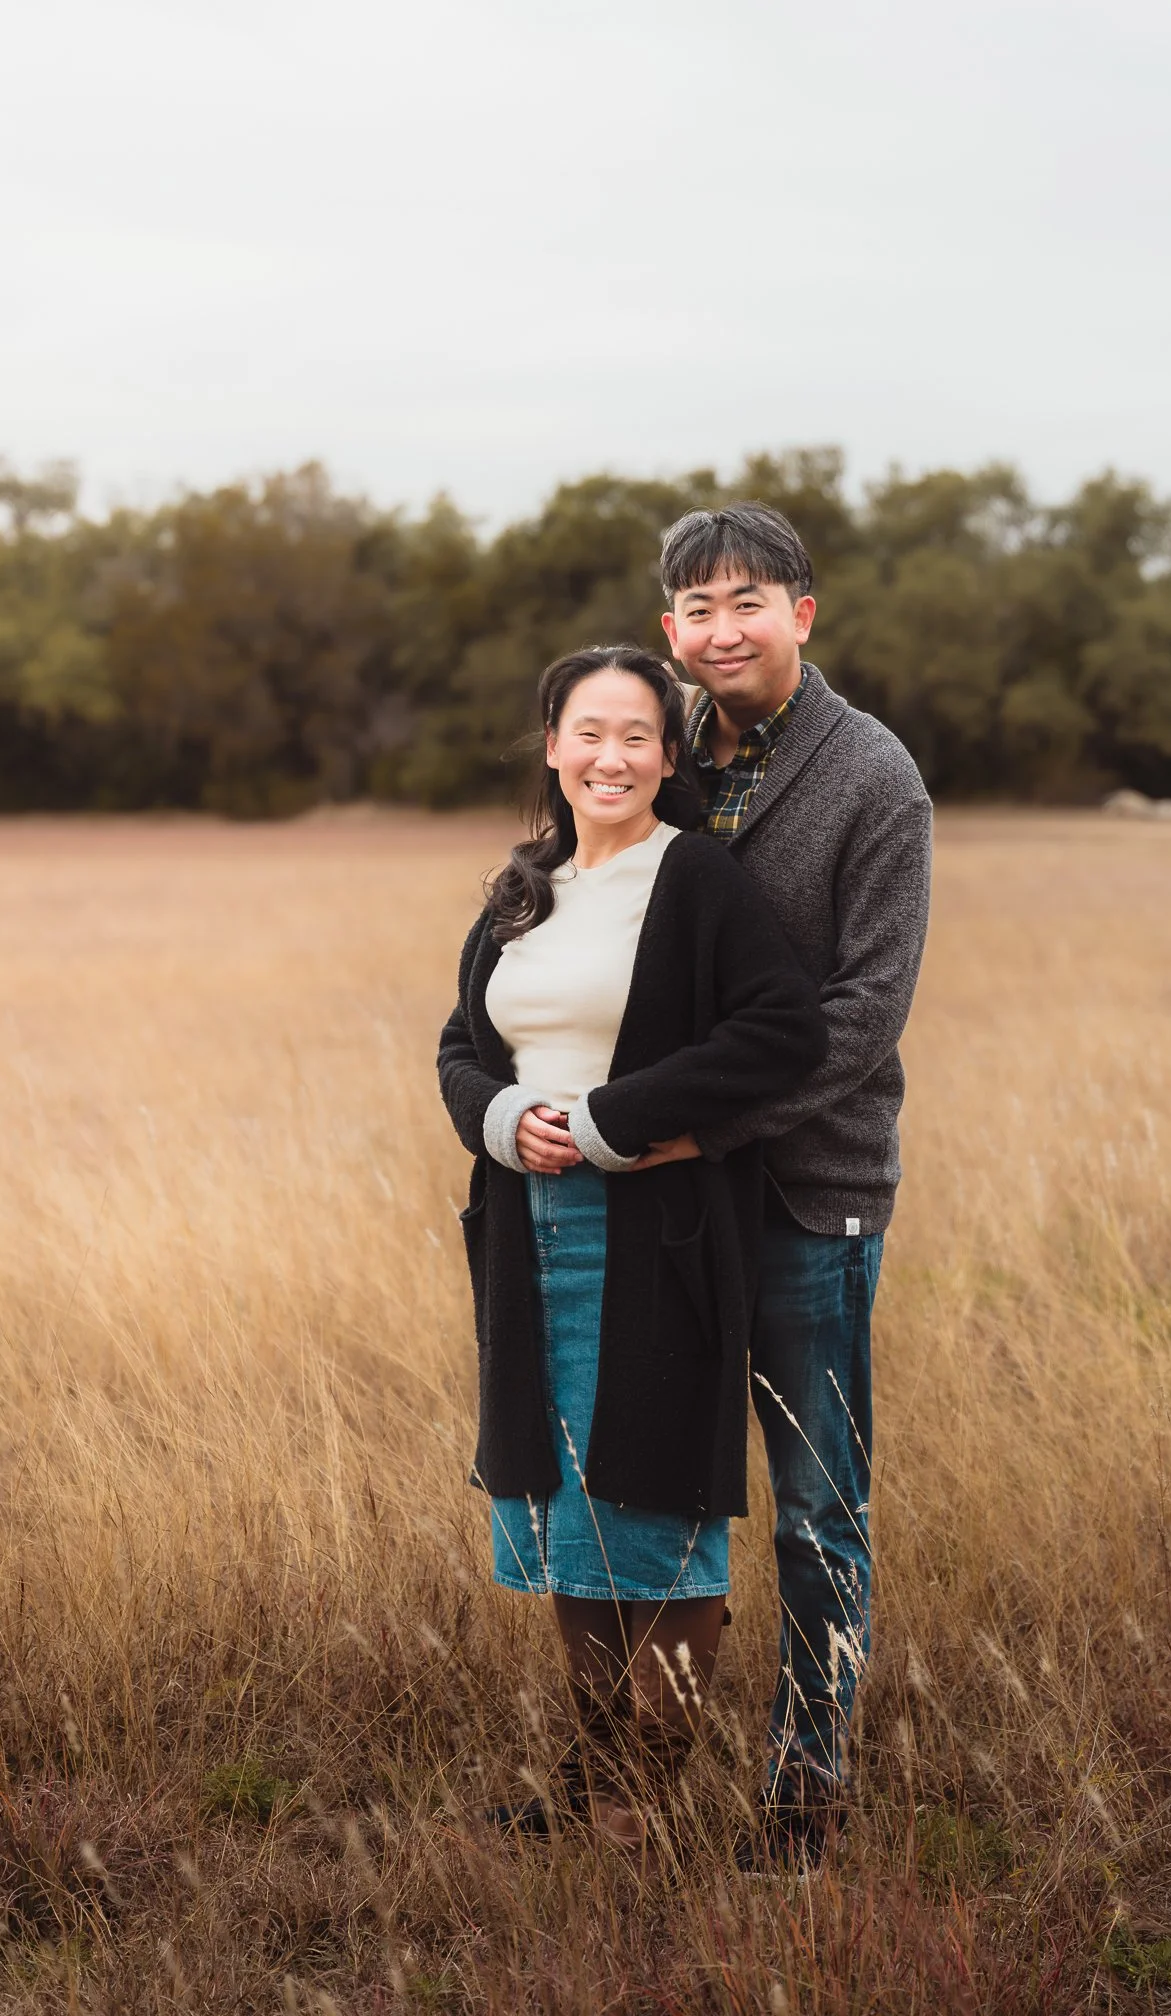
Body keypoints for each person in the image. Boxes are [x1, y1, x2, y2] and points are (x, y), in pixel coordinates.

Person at [436, 643, 826, 1849]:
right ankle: (595, 1773)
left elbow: (784, 1032)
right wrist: (502, 1119)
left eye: (639, 737)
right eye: (588, 732)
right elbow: (462, 1043)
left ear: (668, 757)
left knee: (656, 1513)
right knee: (562, 1510)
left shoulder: (696, 876)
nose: (612, 756)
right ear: (552, 744)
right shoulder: (521, 884)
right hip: (524, 1238)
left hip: (654, 1240)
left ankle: (635, 1810)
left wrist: (617, 1119)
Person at [652, 503, 935, 1872]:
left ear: (802, 614)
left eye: (746, 601)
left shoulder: (874, 777)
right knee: (656, 1487)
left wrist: (699, 1124)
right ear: (669, 632)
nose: (722, 630)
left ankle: (805, 1796)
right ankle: (631, 1773)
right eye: (696, 609)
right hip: (659, 1195)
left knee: (819, 1509)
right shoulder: (654, 755)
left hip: (808, 1191)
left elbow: (866, 1013)